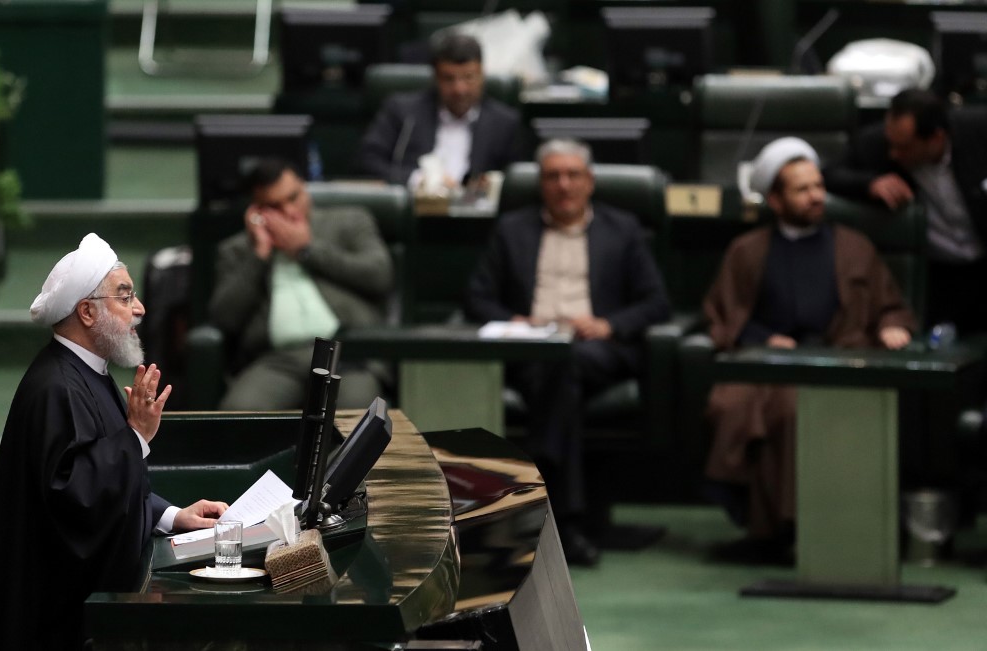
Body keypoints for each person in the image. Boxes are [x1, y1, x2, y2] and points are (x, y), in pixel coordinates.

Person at [0, 234, 229, 651]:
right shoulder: (56, 388)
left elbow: (106, 485)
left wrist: (171, 515)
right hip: (54, 625)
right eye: (125, 296)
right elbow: (77, 502)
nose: (140, 309)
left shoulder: (88, 372)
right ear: (87, 312)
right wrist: (136, 435)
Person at [704, 138, 916, 561]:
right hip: (769, 363)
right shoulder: (747, 250)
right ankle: (766, 530)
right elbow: (725, 314)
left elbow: (890, 306)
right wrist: (764, 339)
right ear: (776, 200)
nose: (816, 196)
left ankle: (790, 530)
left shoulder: (854, 246)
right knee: (731, 405)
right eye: (802, 190)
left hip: (838, 360)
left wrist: (892, 325)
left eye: (818, 186)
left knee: (790, 409)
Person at [465, 139, 671, 566]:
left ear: (589, 181)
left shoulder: (623, 229)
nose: (564, 185)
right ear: (541, 184)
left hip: (596, 348)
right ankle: (567, 522)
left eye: (573, 175)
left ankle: (543, 506)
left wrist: (609, 324)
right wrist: (516, 320)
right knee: (557, 372)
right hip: (531, 351)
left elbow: (656, 302)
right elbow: (477, 298)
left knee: (566, 364)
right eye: (553, 176)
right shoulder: (512, 230)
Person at [210, 158, 394, 410]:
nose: (289, 211)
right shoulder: (237, 250)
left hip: (348, 355)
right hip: (277, 361)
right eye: (274, 206)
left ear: (304, 189)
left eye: (293, 197)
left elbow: (380, 276)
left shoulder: (349, 221)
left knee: (357, 413)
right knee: (238, 412)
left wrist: (307, 250)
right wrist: (259, 256)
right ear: (256, 211)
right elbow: (225, 318)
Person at [823, 88, 987, 334]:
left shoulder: (978, 129)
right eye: (891, 144)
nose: (893, 154)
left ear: (936, 139)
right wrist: (869, 183)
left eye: (904, 147)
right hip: (939, 275)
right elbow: (830, 174)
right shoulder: (878, 143)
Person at [358, 31, 524, 187]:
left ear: (482, 75)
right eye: (449, 79)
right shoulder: (402, 112)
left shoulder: (505, 122)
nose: (459, 89)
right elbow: (367, 161)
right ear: (435, 78)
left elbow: (518, 179)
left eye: (468, 77)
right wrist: (417, 179)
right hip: (416, 203)